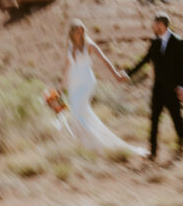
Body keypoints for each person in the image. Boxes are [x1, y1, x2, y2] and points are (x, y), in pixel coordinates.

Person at [62, 19, 145, 156]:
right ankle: (87, 146)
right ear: (71, 32)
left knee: (77, 112)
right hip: (73, 83)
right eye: (76, 29)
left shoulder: (89, 45)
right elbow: (67, 67)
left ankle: (95, 146)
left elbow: (105, 60)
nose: (80, 32)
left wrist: (116, 75)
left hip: (86, 81)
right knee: (78, 114)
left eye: (81, 29)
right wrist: (61, 87)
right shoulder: (70, 47)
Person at [127, 12, 183, 160]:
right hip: (158, 90)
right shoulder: (154, 43)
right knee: (154, 120)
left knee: (176, 118)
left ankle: (181, 145)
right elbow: (145, 60)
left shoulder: (178, 42)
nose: (152, 27)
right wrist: (128, 74)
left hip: (173, 90)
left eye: (154, 24)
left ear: (161, 25)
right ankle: (153, 152)